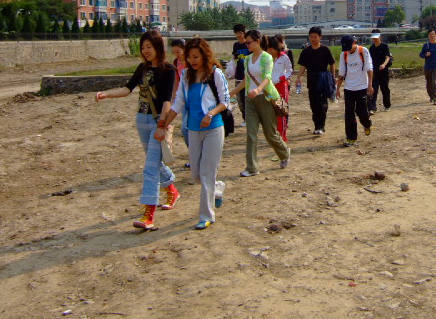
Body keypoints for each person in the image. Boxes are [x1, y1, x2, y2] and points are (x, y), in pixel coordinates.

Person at [95, 30, 179, 230]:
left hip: (157, 121)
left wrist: (162, 125)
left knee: (150, 167)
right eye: (143, 47)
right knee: (154, 162)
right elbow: (127, 89)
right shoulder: (142, 68)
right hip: (141, 120)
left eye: (149, 46)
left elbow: (167, 100)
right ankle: (172, 191)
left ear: (158, 47)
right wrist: (106, 94)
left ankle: (148, 214)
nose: (145, 51)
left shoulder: (168, 70)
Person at [159, 38, 229, 230]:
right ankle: (217, 188)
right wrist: (165, 124)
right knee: (197, 174)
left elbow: (225, 101)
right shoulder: (186, 75)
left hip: (214, 129)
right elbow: (178, 102)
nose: (192, 61)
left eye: (196, 57)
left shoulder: (215, 74)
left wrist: (211, 114)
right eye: (189, 57)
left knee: (206, 174)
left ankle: (206, 215)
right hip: (193, 129)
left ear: (205, 55)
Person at [230, 30, 291, 176]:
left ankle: (284, 153)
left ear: (257, 41)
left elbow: (267, 78)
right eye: (246, 43)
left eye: (249, 42)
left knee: (270, 134)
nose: (247, 45)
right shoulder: (247, 59)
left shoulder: (266, 58)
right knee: (251, 134)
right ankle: (252, 168)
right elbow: (246, 80)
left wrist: (258, 89)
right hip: (250, 99)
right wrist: (232, 92)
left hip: (266, 98)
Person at [295, 27, 336, 134]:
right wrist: (298, 78)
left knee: (322, 104)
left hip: (323, 79)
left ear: (320, 37)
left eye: (315, 37)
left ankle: (320, 126)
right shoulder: (306, 51)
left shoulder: (325, 50)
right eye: (311, 37)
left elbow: (332, 64)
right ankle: (317, 125)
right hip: (312, 80)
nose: (313, 39)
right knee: (313, 104)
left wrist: (333, 77)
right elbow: (303, 66)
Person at [336, 35, 373, 147]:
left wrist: (370, 85)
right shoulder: (344, 54)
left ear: (354, 42)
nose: (348, 50)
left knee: (362, 112)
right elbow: (341, 73)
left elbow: (369, 68)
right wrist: (337, 89)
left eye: (349, 47)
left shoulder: (363, 51)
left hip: (362, 87)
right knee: (349, 114)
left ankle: (367, 124)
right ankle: (351, 138)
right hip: (349, 88)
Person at [267, 36, 293, 142]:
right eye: (268, 49)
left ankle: (282, 135)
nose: (270, 51)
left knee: (280, 110)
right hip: (269, 87)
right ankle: (273, 134)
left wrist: (282, 78)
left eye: (272, 48)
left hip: (281, 86)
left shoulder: (283, 57)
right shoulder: (265, 58)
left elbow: (290, 71)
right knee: (270, 111)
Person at [368, 29, 392, 114]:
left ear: (380, 37)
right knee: (373, 89)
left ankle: (387, 105)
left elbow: (387, 57)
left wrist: (384, 65)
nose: (375, 39)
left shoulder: (385, 46)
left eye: (376, 37)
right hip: (374, 72)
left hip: (384, 72)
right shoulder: (371, 48)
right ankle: (372, 108)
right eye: (373, 38)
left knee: (384, 89)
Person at [232, 24, 251, 127]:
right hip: (239, 74)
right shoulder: (236, 45)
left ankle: (249, 118)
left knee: (247, 97)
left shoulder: (248, 44)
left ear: (244, 32)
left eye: (240, 33)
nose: (238, 35)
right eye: (237, 33)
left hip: (248, 75)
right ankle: (245, 118)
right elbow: (234, 58)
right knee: (240, 99)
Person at [419, 30, 436, 105]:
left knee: (435, 83)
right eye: (430, 34)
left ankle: (435, 98)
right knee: (429, 84)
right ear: (428, 36)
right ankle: (431, 96)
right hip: (428, 67)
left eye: (433, 34)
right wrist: (425, 55)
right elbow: (421, 54)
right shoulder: (426, 45)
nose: (432, 36)